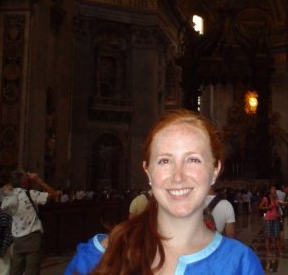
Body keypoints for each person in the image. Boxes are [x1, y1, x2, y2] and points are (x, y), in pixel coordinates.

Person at [64, 109, 263, 275]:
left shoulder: (240, 265)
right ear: (148, 171)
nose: (178, 176)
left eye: (193, 159)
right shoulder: (97, 258)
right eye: (164, 161)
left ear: (215, 170)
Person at [1, 169, 58, 275]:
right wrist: (38, 180)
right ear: (23, 181)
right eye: (26, 178)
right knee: (32, 270)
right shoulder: (31, 194)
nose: (29, 180)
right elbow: (54, 194)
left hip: (17, 238)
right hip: (32, 237)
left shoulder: (8, 197)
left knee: (15, 271)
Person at [258, 184, 282, 257]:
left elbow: (277, 208)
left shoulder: (276, 198)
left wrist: (279, 215)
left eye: (275, 189)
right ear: (269, 190)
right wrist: (268, 207)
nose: (274, 190)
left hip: (276, 218)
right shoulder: (266, 198)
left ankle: (279, 251)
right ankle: (268, 251)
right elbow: (260, 207)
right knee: (268, 236)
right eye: (273, 189)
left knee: (277, 235)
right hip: (268, 218)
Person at [0, 201, 14, 275]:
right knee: (19, 265)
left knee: (3, 267)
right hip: (13, 238)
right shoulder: (15, 207)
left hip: (0, 240)